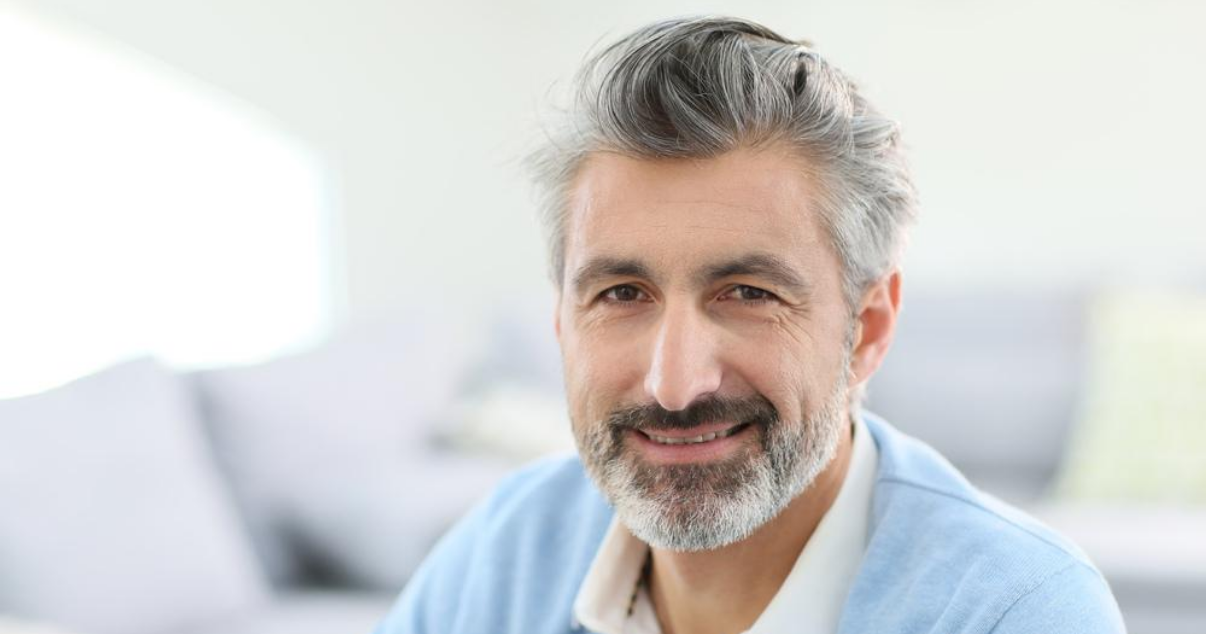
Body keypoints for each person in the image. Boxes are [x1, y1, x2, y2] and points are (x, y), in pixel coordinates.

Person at [375, 15, 1125, 634]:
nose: (673, 384)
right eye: (621, 293)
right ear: (562, 320)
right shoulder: (508, 549)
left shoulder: (1018, 612)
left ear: (866, 328)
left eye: (747, 292)